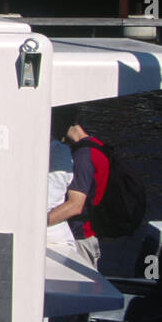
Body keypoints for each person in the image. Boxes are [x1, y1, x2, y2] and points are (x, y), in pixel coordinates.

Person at [47, 106, 106, 268]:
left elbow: (75, 205)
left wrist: (36, 223)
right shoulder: (97, 146)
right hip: (91, 232)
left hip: (81, 237)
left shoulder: (81, 157)